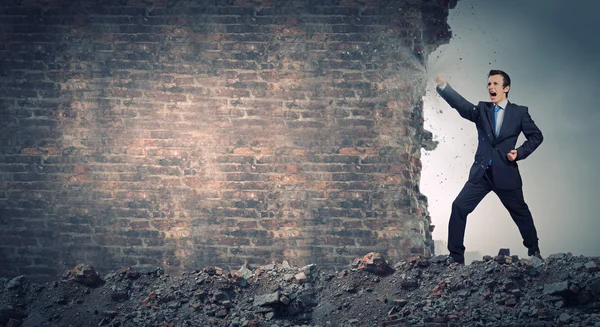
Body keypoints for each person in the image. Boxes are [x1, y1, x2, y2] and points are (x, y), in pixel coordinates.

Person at [434, 70, 544, 264]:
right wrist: (444, 86)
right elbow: (462, 105)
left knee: (521, 212)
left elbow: (536, 136)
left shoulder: (520, 112)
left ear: (506, 88)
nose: (491, 88)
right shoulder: (482, 110)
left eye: (495, 84)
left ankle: (534, 250)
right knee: (459, 206)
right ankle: (456, 257)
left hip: (506, 173)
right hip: (482, 173)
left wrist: (519, 152)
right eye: (488, 84)